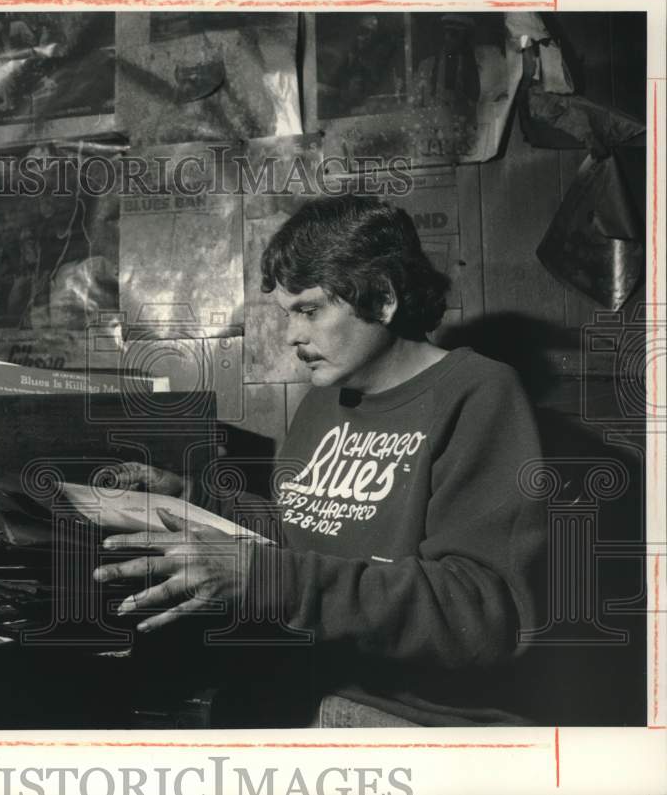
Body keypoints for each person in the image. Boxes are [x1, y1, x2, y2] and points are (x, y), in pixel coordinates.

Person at [93, 194, 547, 727]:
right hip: (310, 685)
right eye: (287, 314)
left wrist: (267, 579)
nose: (292, 336)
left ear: (382, 299)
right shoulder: (325, 400)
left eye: (309, 310)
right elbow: (308, 536)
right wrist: (195, 501)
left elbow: (484, 612)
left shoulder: (479, 393)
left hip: (418, 717)